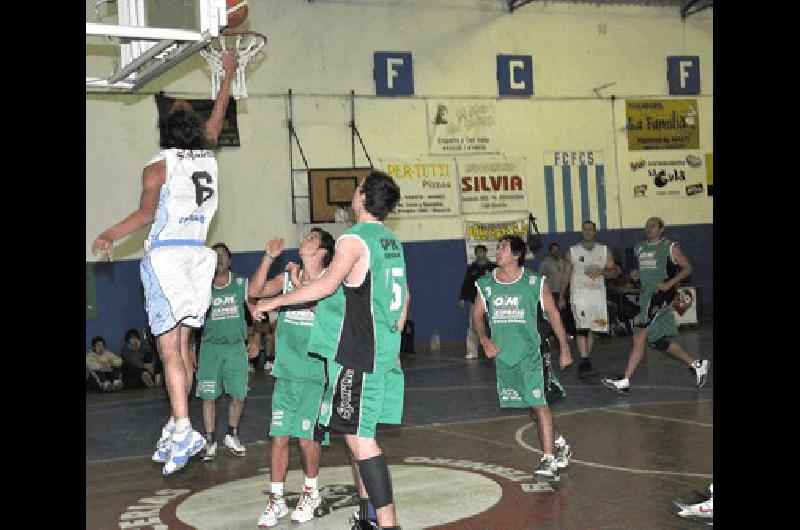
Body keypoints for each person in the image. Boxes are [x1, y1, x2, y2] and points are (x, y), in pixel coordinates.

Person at [90, 50, 238, 475]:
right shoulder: (209, 155)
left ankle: (182, 424)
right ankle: (179, 425)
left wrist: (109, 235)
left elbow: (144, 215)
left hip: (168, 257)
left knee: (168, 349)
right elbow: (220, 116)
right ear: (198, 132)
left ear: (165, 134)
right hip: (200, 257)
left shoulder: (159, 167)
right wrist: (226, 76)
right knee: (185, 350)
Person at [254, 170, 409, 530]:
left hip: (360, 354)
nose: (353, 195)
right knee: (356, 435)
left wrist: (274, 302)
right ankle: (369, 516)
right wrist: (394, 338)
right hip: (381, 350)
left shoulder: (354, 240)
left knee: (362, 440)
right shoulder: (390, 241)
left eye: (357, 190)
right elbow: (403, 300)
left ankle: (388, 524)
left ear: (365, 199)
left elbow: (324, 286)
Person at [249, 228, 335, 527]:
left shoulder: (330, 282)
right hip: (286, 372)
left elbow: (321, 311)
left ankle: (310, 492)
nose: (305, 240)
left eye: (312, 238)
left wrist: (298, 284)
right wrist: (268, 258)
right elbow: (256, 292)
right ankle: (276, 500)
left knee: (305, 438)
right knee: (279, 437)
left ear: (322, 250)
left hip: (314, 374)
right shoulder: (287, 278)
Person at [473, 236, 573, 482]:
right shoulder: (486, 284)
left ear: (516, 255)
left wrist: (564, 347)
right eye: (498, 247)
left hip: (532, 353)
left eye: (503, 247)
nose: (498, 251)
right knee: (532, 405)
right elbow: (476, 316)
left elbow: (553, 314)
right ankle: (560, 444)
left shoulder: (534, 282)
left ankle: (548, 460)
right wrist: (484, 340)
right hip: (505, 357)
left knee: (539, 403)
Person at [601, 217, 709, 394]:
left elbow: (688, 268)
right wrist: (635, 276)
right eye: (647, 226)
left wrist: (669, 283)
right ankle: (696, 364)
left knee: (639, 336)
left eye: (653, 226)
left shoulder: (669, 247)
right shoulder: (640, 248)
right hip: (646, 297)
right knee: (657, 341)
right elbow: (642, 272)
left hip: (660, 297)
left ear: (661, 229)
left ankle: (625, 381)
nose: (649, 228)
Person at [196, 243, 256, 462]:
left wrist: (256, 338)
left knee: (239, 395)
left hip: (235, 347)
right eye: (215, 256)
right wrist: (189, 349)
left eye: (223, 255)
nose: (219, 259)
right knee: (208, 396)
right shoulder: (202, 286)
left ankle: (231, 434)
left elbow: (257, 312)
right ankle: (210, 440)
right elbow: (191, 321)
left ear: (230, 260)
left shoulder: (242, 283)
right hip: (210, 349)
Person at [559, 221, 619, 377]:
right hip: (579, 295)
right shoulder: (572, 251)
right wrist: (561, 296)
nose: (587, 232)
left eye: (590, 229)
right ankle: (585, 360)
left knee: (593, 327)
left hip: (598, 295)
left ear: (594, 232)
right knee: (582, 327)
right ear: (582, 232)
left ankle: (585, 359)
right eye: (584, 229)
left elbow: (614, 272)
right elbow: (566, 274)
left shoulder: (604, 250)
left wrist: (602, 272)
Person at [458, 244, 497, 359]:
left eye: (483, 252)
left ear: (486, 253)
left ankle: (497, 350)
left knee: (494, 326)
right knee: (473, 326)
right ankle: (472, 351)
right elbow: (466, 284)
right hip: (475, 302)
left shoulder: (493, 267)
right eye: (479, 252)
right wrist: (462, 298)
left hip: (491, 301)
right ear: (476, 254)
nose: (481, 254)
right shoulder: (472, 269)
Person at [537, 242, 574, 341]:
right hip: (551, 292)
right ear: (550, 251)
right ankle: (551, 334)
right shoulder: (545, 263)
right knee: (552, 315)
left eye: (557, 249)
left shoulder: (563, 262)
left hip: (562, 291)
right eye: (553, 250)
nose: (556, 251)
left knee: (563, 314)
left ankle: (563, 334)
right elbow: (541, 278)